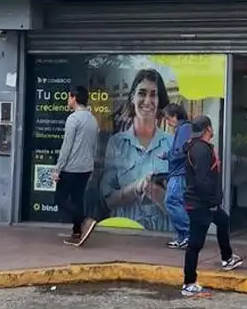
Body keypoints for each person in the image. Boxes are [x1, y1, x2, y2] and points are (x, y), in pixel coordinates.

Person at [100, 69, 172, 231]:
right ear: (132, 97)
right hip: (125, 234)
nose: (147, 101)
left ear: (160, 101)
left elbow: (185, 209)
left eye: (154, 95)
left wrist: (161, 198)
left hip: (163, 236)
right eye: (142, 93)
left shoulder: (173, 145)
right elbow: (108, 200)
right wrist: (135, 189)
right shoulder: (116, 144)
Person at [181, 115, 243, 297]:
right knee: (195, 243)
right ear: (208, 128)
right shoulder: (201, 150)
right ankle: (189, 283)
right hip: (201, 204)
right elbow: (202, 180)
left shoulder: (197, 147)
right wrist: (211, 202)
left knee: (223, 220)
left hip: (203, 202)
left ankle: (227, 258)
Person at [54, 86, 100, 246]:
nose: (68, 100)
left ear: (74, 98)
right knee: (77, 199)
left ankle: (85, 220)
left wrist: (58, 169)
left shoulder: (73, 119)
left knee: (60, 199)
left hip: (71, 167)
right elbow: (94, 146)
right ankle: (77, 232)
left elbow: (66, 146)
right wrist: (92, 165)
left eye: (69, 97)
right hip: (86, 168)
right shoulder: (93, 119)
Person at [161, 102, 193, 249]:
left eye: (168, 118)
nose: (167, 122)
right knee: (177, 203)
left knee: (171, 201)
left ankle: (187, 234)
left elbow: (180, 152)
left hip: (179, 173)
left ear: (175, 116)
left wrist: (167, 155)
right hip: (179, 173)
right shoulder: (183, 128)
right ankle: (182, 236)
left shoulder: (184, 129)